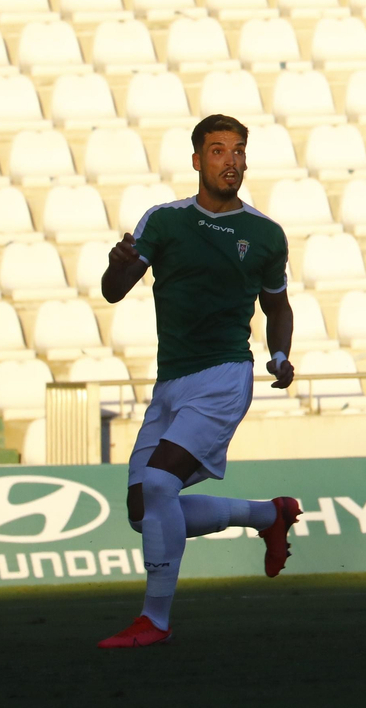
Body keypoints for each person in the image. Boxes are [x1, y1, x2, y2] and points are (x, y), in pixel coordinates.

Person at [97, 114, 301, 649]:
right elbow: (114, 290)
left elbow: (277, 306)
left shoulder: (264, 233)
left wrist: (279, 355)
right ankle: (268, 514)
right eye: (217, 151)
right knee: (144, 512)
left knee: (161, 486)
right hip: (171, 383)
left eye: (238, 151)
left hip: (224, 375)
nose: (230, 160)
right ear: (196, 160)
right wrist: (118, 264)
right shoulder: (164, 221)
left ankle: (154, 621)